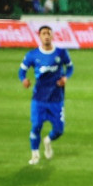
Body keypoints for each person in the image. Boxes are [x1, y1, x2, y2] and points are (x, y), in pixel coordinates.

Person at [18, 25, 73, 165]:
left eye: (49, 33)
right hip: (39, 98)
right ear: (40, 36)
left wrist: (66, 77)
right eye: (44, 33)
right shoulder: (32, 55)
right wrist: (23, 80)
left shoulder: (61, 53)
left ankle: (48, 140)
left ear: (53, 35)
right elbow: (21, 71)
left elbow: (70, 67)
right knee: (36, 126)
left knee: (59, 130)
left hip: (56, 98)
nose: (47, 36)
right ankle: (35, 154)